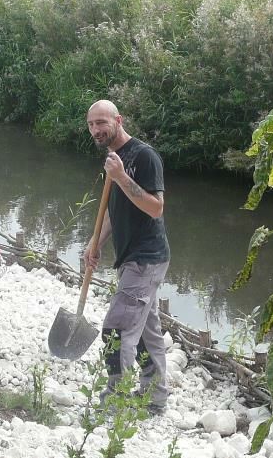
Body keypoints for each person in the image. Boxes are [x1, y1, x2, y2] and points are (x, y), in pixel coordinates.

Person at [83, 99, 171, 415]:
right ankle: (155, 399)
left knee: (116, 330)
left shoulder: (144, 156)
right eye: (91, 124)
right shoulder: (113, 157)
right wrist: (96, 243)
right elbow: (114, 210)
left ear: (118, 120)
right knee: (147, 333)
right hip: (131, 257)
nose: (96, 129)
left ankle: (114, 403)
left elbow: (155, 207)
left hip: (146, 259)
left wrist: (121, 176)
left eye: (102, 123)